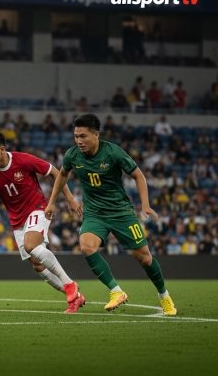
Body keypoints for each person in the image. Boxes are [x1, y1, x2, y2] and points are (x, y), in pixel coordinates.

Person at [45, 114, 177, 316]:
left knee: (144, 259)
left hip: (121, 213)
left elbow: (138, 175)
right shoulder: (72, 155)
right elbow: (62, 174)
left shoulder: (113, 152)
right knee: (87, 247)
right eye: (76, 136)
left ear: (96, 135)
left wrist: (145, 204)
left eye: (83, 136)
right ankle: (116, 292)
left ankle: (164, 296)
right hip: (94, 213)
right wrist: (53, 201)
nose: (79, 141)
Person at [0, 130, 85, 313]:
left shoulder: (23, 160)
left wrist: (70, 199)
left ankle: (70, 284)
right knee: (37, 264)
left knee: (31, 244)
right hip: (17, 219)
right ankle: (74, 297)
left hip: (38, 207)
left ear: (1, 149)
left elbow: (55, 172)